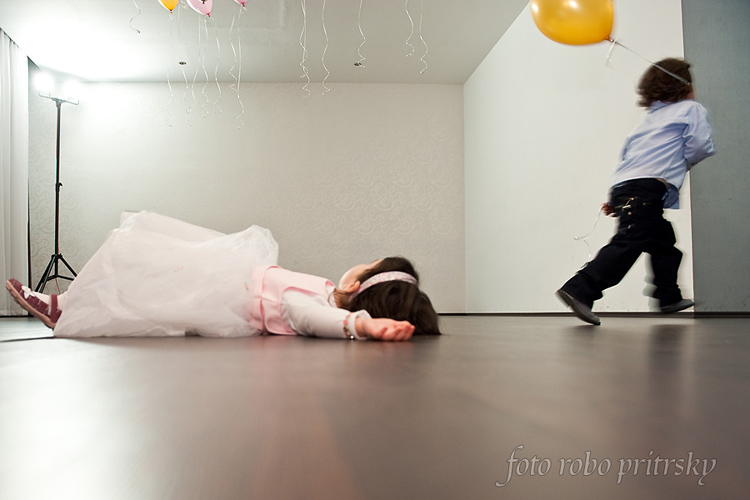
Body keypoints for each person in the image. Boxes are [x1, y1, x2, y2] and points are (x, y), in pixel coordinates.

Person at [6, 211, 440, 341]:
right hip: (227, 279)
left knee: (140, 270)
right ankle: (69, 306)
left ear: (357, 285)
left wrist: (359, 325)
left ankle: (66, 309)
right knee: (145, 279)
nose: (361, 262)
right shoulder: (325, 290)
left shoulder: (321, 305)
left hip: (224, 291)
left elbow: (305, 316)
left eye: (368, 263)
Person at [556, 58, 715, 325]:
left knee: (664, 244)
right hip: (646, 190)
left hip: (627, 187)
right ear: (684, 86)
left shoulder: (648, 121)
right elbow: (700, 145)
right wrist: (683, 161)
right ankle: (580, 288)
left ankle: (668, 296)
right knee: (628, 243)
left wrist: (614, 199)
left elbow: (628, 159)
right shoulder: (691, 109)